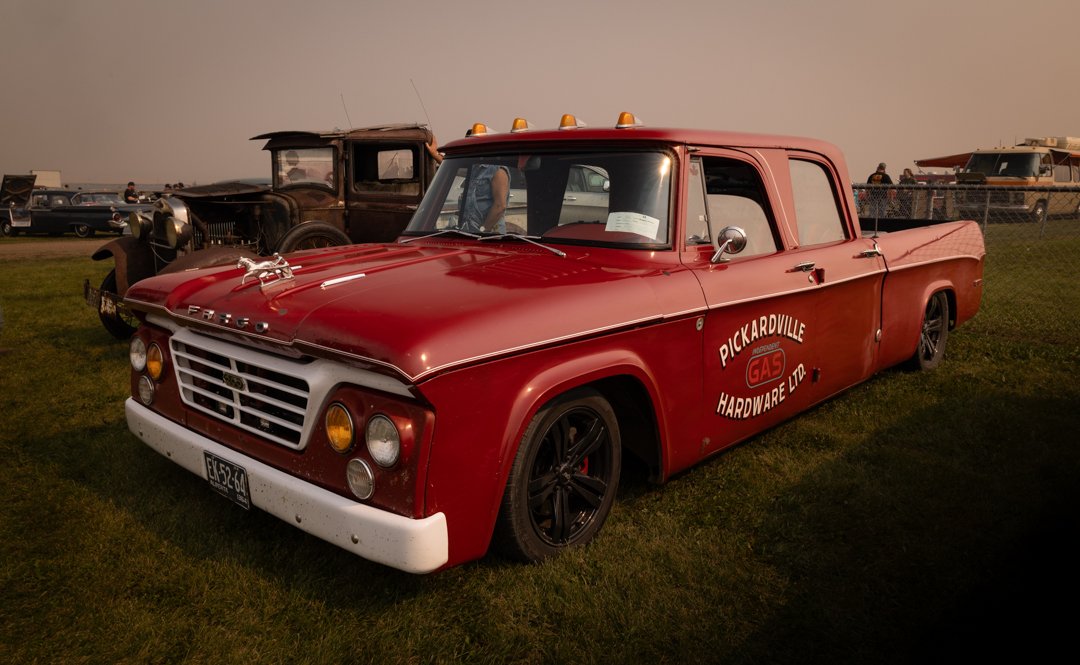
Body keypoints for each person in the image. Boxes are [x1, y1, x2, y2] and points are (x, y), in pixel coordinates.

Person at [459, 163, 509, 233]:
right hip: (469, 231)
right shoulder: (474, 168)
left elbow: (500, 206)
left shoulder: (498, 170)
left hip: (490, 234)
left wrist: (483, 230)